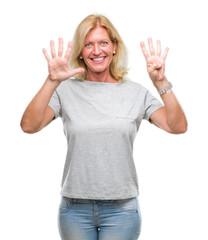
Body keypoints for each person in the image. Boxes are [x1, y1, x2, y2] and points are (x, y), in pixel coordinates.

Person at [20, 14, 187, 240]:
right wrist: (51, 81)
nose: (96, 51)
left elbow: (177, 126)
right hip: (74, 209)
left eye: (103, 43)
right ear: (80, 51)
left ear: (114, 47)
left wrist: (161, 83)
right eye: (88, 44)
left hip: (122, 210)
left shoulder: (135, 92)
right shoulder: (64, 91)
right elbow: (29, 126)